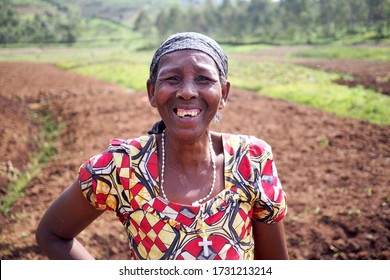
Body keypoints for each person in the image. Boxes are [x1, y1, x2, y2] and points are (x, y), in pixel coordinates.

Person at [36, 32, 288, 260]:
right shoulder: (122, 168)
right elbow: (52, 234)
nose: (188, 91)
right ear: (151, 91)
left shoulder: (252, 160)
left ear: (223, 93)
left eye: (203, 79)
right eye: (172, 78)